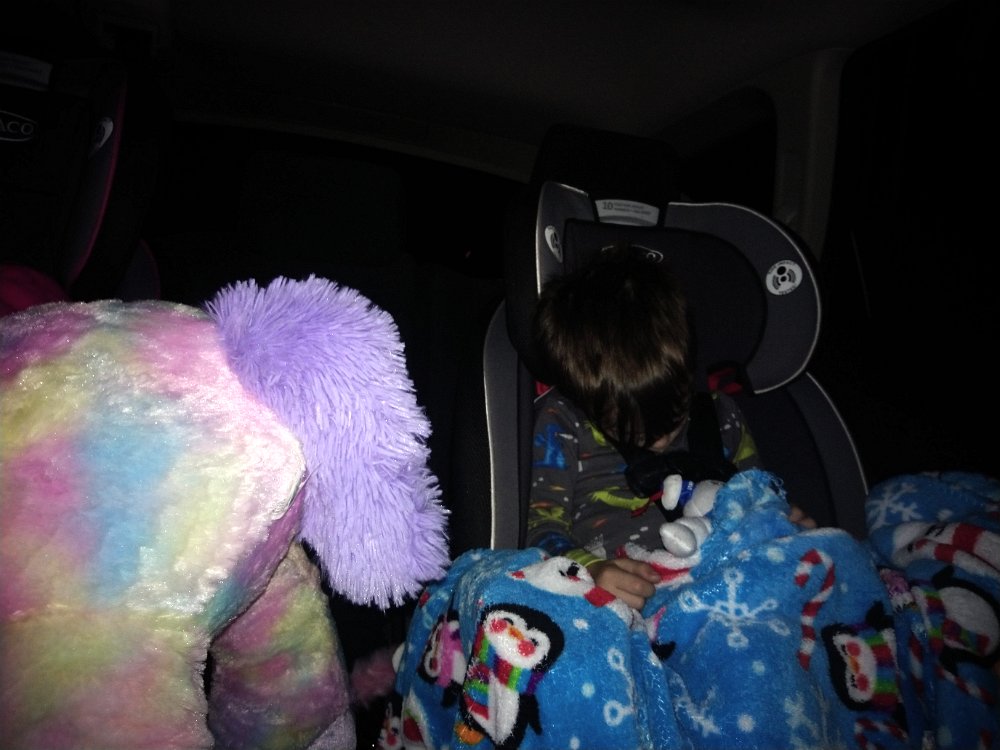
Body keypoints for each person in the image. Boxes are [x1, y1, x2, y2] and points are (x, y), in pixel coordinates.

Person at [526, 244, 813, 610]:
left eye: (673, 414)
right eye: (629, 428)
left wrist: (784, 523)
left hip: (732, 591)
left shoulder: (720, 415)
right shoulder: (563, 422)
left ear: (687, 370)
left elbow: (757, 499)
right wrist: (590, 570)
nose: (660, 440)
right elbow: (540, 529)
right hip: (622, 605)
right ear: (585, 397)